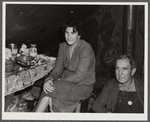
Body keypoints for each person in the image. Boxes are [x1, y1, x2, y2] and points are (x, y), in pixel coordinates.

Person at [35, 19, 95, 112]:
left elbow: (79, 76)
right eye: (67, 33)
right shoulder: (62, 47)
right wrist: (48, 79)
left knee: (53, 88)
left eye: (73, 33)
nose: (69, 37)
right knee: (49, 88)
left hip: (83, 85)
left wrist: (59, 80)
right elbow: (57, 70)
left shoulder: (86, 48)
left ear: (79, 35)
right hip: (65, 83)